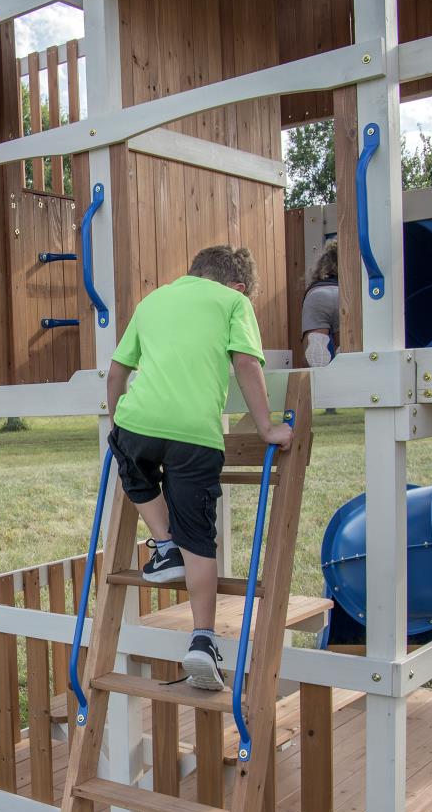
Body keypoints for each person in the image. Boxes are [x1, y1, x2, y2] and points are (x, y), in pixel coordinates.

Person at [106, 245, 292, 691]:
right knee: (200, 537)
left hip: (139, 423)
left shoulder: (152, 301)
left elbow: (115, 374)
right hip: (195, 436)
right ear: (239, 286)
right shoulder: (234, 303)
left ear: (192, 274)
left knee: (131, 462)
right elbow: (246, 363)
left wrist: (120, 425)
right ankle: (203, 640)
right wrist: (267, 427)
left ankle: (163, 544)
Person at [300, 239, 339, 410]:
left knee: (312, 340)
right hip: (341, 293)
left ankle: (316, 342)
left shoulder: (316, 283)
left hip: (317, 294)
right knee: (344, 340)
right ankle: (343, 351)